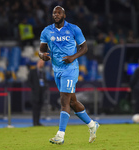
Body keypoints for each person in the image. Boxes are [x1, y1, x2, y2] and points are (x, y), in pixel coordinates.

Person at [38, 6, 99, 145]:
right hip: (57, 70)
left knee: (64, 101)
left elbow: (84, 48)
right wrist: (42, 56)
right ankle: (92, 125)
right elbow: (41, 50)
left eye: (59, 12)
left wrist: (73, 57)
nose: (56, 14)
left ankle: (60, 135)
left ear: (64, 15)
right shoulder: (47, 31)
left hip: (70, 68)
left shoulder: (74, 29)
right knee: (72, 102)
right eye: (54, 12)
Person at [28, 59, 47, 126]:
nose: (42, 64)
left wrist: (44, 87)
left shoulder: (43, 72)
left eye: (43, 63)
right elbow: (29, 81)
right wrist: (34, 88)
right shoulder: (32, 71)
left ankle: (38, 122)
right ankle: (34, 122)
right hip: (35, 93)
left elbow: (45, 81)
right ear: (38, 63)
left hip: (41, 93)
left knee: (39, 108)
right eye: (41, 63)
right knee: (35, 109)